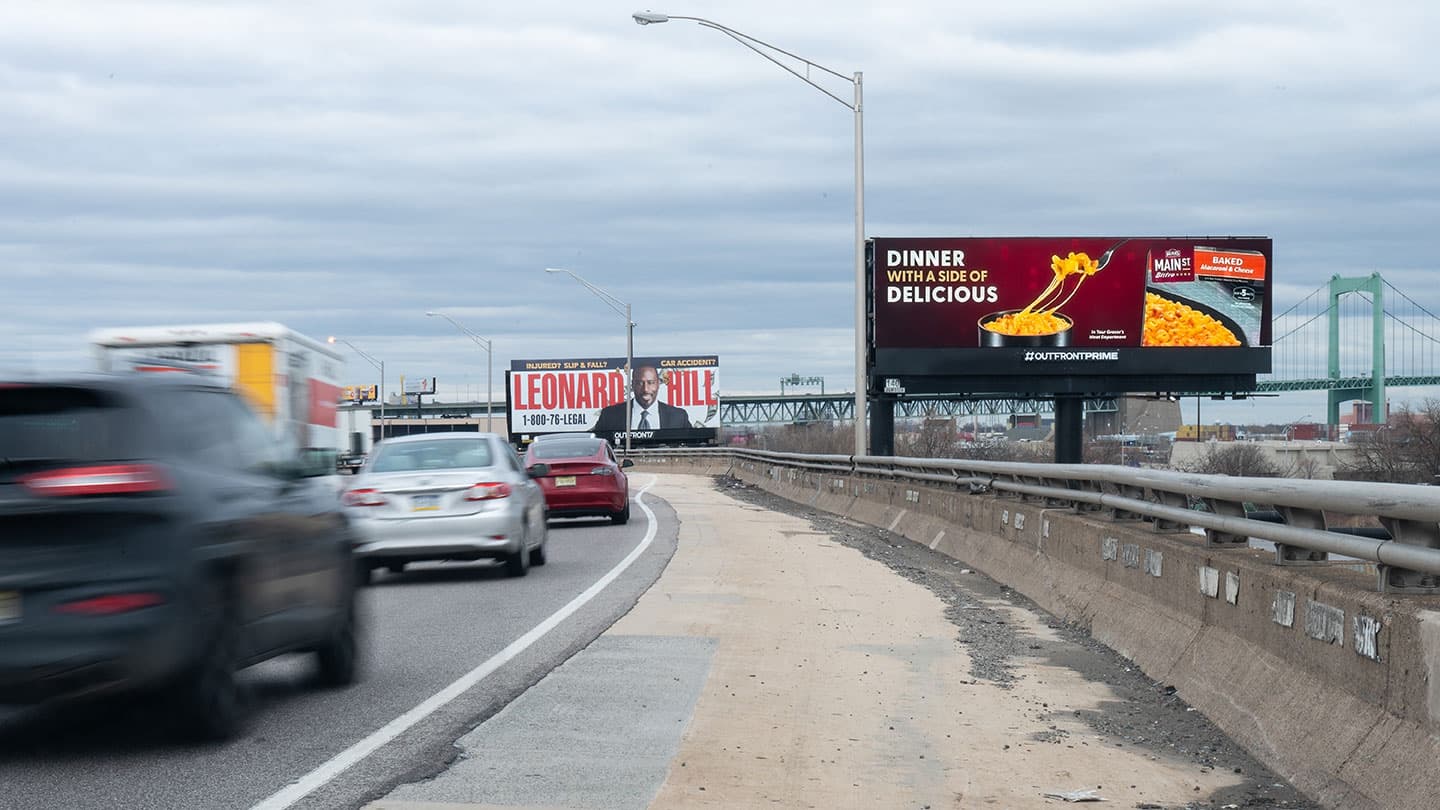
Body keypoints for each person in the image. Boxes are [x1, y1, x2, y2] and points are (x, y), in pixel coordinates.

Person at [592, 364, 689, 434]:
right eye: (640, 383)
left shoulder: (679, 417)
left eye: (650, 382)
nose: (645, 389)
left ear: (658, 384)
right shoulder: (609, 415)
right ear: (633, 385)